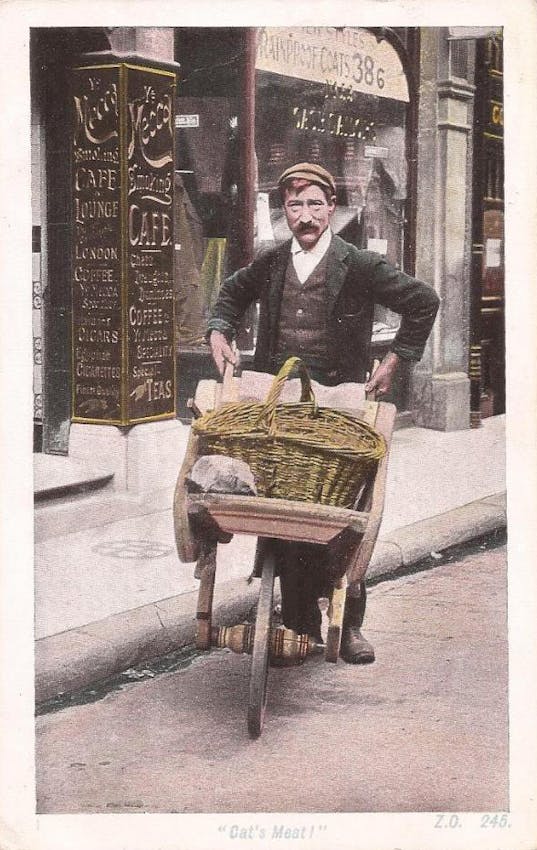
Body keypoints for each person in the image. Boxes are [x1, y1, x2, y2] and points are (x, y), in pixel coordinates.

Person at [207, 162, 439, 663]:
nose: (305, 216)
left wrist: (396, 359)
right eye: (295, 205)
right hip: (278, 402)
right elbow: (230, 295)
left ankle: (348, 620)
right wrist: (218, 332)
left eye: (315, 204)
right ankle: (297, 624)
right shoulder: (270, 263)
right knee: (284, 511)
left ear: (331, 209)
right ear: (283, 212)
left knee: (344, 512)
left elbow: (423, 302)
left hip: (339, 403)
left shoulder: (357, 264)